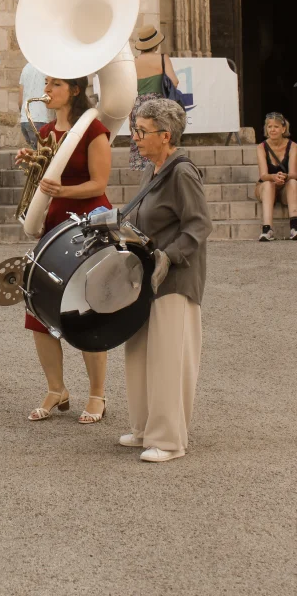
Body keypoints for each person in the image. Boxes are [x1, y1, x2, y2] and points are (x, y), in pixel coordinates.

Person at [16, 76, 112, 424]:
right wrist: (31, 163)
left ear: (74, 90)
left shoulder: (93, 130)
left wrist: (61, 192)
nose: (47, 90)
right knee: (38, 311)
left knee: (87, 308)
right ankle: (56, 389)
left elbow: (99, 183)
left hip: (86, 224)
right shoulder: (45, 134)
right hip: (53, 222)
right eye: (46, 83)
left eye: (55, 84)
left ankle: (97, 394)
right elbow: (45, 179)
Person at [120, 98, 211, 463]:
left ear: (165, 135)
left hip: (175, 278)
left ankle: (169, 441)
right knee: (139, 353)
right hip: (147, 276)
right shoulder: (154, 169)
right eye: (135, 130)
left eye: (142, 132)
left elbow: (199, 225)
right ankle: (145, 428)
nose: (135, 138)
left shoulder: (182, 172)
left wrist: (169, 256)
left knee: (169, 359)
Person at [129, 24, 179, 171]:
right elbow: (174, 81)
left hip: (138, 107)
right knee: (160, 143)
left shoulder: (134, 62)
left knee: (142, 143)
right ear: (156, 44)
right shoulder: (163, 59)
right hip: (158, 107)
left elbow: (130, 89)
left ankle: (147, 179)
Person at [255, 112, 297, 241]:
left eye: (276, 127)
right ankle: (267, 229)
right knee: (268, 184)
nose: (272, 130)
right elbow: (263, 175)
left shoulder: (293, 146)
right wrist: (274, 177)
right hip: (265, 187)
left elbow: (294, 173)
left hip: (285, 188)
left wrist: (284, 176)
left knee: (293, 182)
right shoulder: (261, 147)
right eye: (269, 127)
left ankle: (294, 227)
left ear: (283, 129)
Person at [18, 63, 52, 149]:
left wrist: (24, 115)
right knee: (44, 157)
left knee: (37, 155)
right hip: (41, 118)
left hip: (26, 119)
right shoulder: (48, 66)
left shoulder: (26, 68)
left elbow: (20, 100)